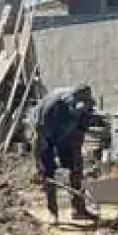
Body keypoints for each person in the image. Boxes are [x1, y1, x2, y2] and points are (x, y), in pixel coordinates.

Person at [32, 83, 102, 224]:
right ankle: (53, 212)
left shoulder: (86, 108)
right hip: (47, 134)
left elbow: (80, 132)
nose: (80, 111)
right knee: (48, 172)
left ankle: (79, 209)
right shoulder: (52, 107)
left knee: (76, 168)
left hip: (67, 135)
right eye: (77, 109)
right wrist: (39, 162)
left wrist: (76, 156)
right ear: (70, 103)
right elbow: (39, 135)